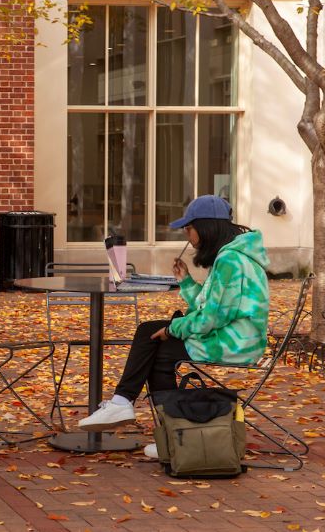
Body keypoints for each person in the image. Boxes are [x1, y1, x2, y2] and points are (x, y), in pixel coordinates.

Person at [77, 195, 270, 458]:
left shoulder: (231, 261)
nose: (187, 236)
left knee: (158, 345)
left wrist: (172, 330)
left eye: (189, 229)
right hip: (233, 336)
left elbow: (209, 319)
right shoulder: (232, 256)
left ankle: (161, 427)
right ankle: (156, 425)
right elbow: (210, 308)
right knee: (151, 332)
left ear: (206, 227)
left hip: (234, 344)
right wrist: (188, 283)